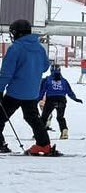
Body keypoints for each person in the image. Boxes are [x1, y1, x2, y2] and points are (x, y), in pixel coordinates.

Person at [0, 20, 52, 155]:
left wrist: (0, 89)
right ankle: (44, 144)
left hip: (15, 92)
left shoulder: (15, 48)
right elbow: (46, 67)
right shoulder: (39, 48)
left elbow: (6, 73)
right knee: (32, 118)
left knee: (0, 116)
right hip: (32, 92)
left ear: (17, 33)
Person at [39, 64, 83, 140]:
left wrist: (37, 99)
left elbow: (42, 91)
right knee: (60, 117)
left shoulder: (47, 79)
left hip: (51, 100)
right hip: (62, 100)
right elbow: (69, 92)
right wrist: (75, 99)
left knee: (44, 117)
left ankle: (39, 133)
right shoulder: (64, 81)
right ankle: (64, 131)